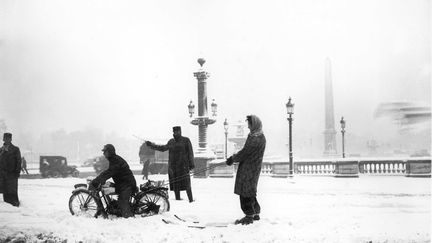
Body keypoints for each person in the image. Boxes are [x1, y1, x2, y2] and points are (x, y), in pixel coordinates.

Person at [225, 115, 266, 225]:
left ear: (254, 124)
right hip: (252, 167)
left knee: (245, 191)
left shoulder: (255, 138)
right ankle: (255, 212)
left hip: (249, 168)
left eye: (249, 124)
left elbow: (245, 152)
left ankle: (248, 216)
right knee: (250, 190)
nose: (248, 127)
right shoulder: (258, 136)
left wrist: (232, 159)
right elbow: (245, 152)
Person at [145, 126, 195, 202]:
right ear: (173, 132)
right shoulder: (171, 142)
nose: (176, 133)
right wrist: (151, 145)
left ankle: (191, 200)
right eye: (175, 132)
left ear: (180, 132)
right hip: (173, 167)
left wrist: (191, 164)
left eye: (177, 131)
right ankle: (177, 199)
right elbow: (162, 148)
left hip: (183, 166)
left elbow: (190, 153)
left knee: (187, 183)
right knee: (176, 184)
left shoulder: (186, 140)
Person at [90, 144, 137, 218]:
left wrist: (97, 180)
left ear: (109, 152)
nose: (103, 153)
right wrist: (100, 179)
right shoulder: (113, 159)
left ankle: (128, 216)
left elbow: (110, 172)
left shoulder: (115, 160)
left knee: (122, 202)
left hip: (127, 184)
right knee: (107, 187)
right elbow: (109, 172)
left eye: (105, 151)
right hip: (123, 182)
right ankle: (111, 208)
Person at [0, 133, 22, 207]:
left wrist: (17, 173)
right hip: (3, 176)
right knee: (5, 193)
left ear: (11, 139)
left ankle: (16, 206)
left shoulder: (15, 149)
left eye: (8, 138)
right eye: (5, 138)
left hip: (12, 175)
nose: (7, 140)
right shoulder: (1, 150)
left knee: (12, 192)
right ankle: (8, 207)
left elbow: (19, 162)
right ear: (3, 139)